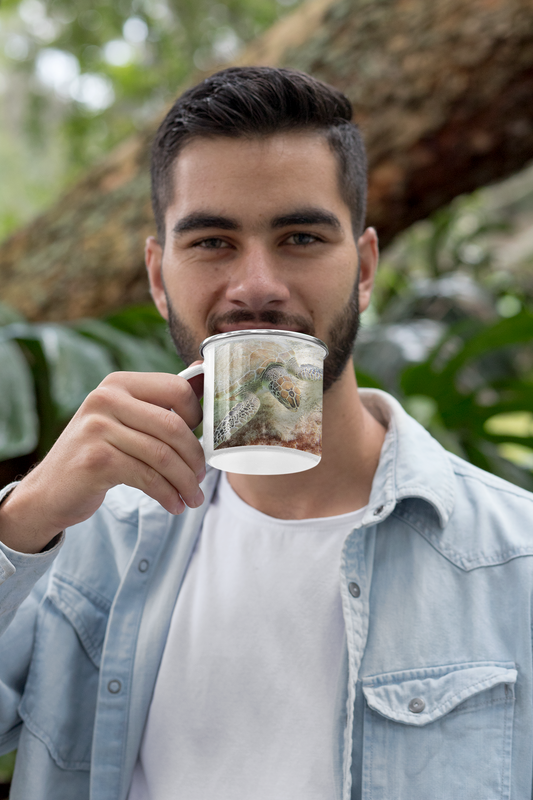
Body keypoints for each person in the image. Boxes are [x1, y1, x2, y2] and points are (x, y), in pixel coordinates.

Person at [0, 66, 532, 800]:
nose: (256, 284)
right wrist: (23, 521)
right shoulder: (86, 544)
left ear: (365, 269)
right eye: (213, 242)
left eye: (300, 237)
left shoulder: (514, 562)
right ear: (158, 277)